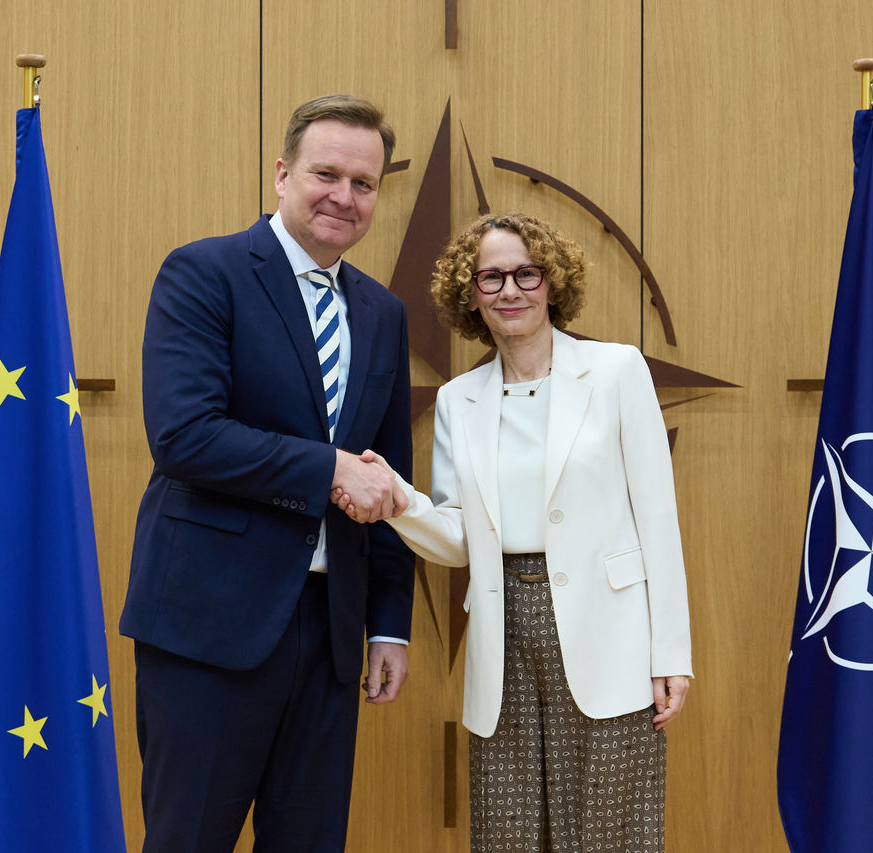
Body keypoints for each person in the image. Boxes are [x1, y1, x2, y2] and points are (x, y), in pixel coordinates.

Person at [335, 213, 693, 852]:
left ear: (553, 282)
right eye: (491, 277)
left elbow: (658, 520)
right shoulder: (459, 399)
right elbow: (458, 540)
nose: (510, 290)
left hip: (609, 631)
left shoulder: (616, 371)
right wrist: (399, 502)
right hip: (503, 632)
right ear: (469, 293)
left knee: (611, 832)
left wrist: (671, 655)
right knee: (510, 833)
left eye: (527, 274)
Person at [120, 94, 416, 853]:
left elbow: (385, 475)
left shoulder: (382, 313)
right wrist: (329, 467)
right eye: (326, 174)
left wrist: (389, 622)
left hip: (332, 634)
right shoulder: (204, 272)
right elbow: (185, 436)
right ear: (283, 174)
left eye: (363, 183)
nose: (343, 196)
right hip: (209, 625)